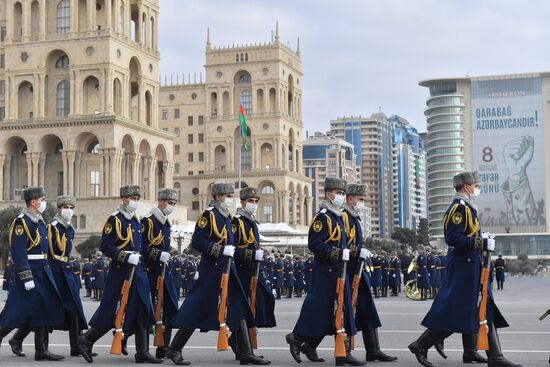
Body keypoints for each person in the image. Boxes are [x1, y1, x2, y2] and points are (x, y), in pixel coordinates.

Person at [408, 172, 521, 367]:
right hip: (463, 266)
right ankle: (422, 344)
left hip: (470, 265)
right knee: (474, 307)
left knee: (475, 307)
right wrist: (481, 242)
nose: (477, 189)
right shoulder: (459, 209)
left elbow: (467, 235)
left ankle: (470, 351)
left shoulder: (468, 208)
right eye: (475, 185)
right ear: (466, 187)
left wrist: (482, 238)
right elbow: (453, 239)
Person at [165, 182, 268, 365]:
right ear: (218, 197)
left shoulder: (226, 218)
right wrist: (220, 250)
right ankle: (174, 349)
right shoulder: (209, 216)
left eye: (231, 196)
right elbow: (197, 242)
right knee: (197, 309)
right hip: (212, 270)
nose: (230, 200)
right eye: (227, 196)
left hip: (229, 270)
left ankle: (246, 352)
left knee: (239, 307)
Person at [78, 185, 160, 364]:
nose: (135, 201)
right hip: (120, 273)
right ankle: (86, 339)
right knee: (111, 310)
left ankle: (142, 351)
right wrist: (124, 256)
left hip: (137, 273)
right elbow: (105, 246)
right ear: (123, 199)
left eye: (138, 198)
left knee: (142, 310)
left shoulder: (136, 221)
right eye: (132, 198)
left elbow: (138, 248)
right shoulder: (115, 220)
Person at [286, 177, 361, 366]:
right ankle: (296, 338)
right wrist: (337, 252)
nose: (342, 196)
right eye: (339, 193)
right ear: (329, 194)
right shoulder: (323, 217)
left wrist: (352, 252)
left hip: (338, 271)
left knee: (340, 311)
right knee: (319, 310)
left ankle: (322, 348)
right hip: (325, 271)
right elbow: (314, 245)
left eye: (343, 193)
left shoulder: (337, 216)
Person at [0, 186, 65, 361]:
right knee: (17, 310)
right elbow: (19, 252)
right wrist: (26, 276)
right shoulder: (22, 222)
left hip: (42, 270)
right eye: (42, 200)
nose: (44, 203)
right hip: (30, 272)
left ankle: (41, 350)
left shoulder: (38, 220)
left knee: (43, 308)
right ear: (33, 201)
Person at [341, 183, 398, 363]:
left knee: (367, 309)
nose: (362, 202)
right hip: (348, 270)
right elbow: (341, 244)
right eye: (360, 199)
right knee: (344, 312)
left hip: (358, 269)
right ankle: (303, 340)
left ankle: (373, 350)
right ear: (350, 199)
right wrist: (358, 252)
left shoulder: (353, 217)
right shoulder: (343, 217)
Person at [231, 187, 276, 358]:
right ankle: (243, 347)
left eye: (256, 201)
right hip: (241, 271)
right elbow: (232, 249)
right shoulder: (237, 222)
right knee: (244, 308)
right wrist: (250, 254)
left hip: (253, 270)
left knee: (264, 300)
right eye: (251, 201)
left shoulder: (251, 221)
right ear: (242, 202)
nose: (254, 204)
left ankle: (237, 342)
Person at [141, 188, 180, 359]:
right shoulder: (148, 221)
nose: (171, 206)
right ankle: (142, 349)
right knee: (147, 309)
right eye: (170, 203)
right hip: (150, 271)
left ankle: (163, 347)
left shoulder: (165, 223)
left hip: (164, 271)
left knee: (171, 307)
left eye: (174, 204)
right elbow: (141, 247)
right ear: (161, 201)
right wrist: (157, 254)